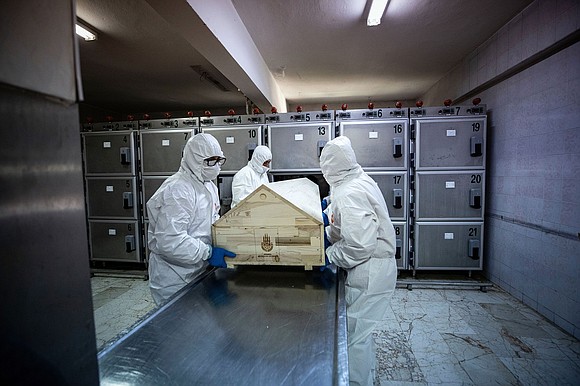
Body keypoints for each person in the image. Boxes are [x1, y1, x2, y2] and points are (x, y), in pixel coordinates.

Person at [319, 136, 397, 386]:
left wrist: (327, 254)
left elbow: (359, 245)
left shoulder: (349, 192)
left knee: (354, 338)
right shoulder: (358, 179)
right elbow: (351, 222)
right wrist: (329, 216)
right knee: (361, 333)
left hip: (370, 270)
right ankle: (367, 378)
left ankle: (356, 382)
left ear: (329, 168)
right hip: (375, 267)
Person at [146, 133, 236, 305]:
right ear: (194, 159)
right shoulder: (178, 190)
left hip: (199, 270)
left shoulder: (208, 185)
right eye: (210, 160)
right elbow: (170, 240)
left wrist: (223, 236)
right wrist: (208, 252)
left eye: (219, 160)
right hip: (175, 278)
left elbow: (211, 219)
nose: (216, 166)